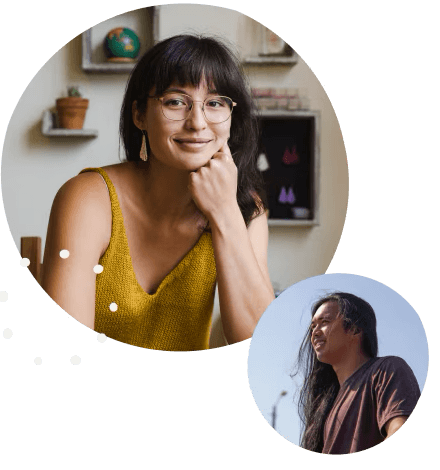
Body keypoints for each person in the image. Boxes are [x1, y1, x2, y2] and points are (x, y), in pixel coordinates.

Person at [41, 34, 275, 351]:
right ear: (139, 114)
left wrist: (224, 213)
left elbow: (261, 345)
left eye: (216, 103)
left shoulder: (246, 209)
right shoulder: (87, 198)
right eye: (175, 101)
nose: (198, 122)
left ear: (232, 117)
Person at [292, 292, 421, 454]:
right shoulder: (327, 404)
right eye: (313, 326)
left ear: (354, 329)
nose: (315, 333)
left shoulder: (386, 370)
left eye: (324, 322)